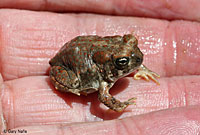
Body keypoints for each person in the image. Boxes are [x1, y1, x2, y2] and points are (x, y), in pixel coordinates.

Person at [0, 1, 200, 134]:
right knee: (75, 81)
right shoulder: (105, 77)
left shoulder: (121, 56)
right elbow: (103, 97)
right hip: (70, 64)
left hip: (85, 48)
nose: (135, 57)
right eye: (123, 63)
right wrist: (120, 106)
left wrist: (141, 68)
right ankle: (74, 85)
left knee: (127, 58)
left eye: (133, 44)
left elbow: (129, 56)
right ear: (110, 67)